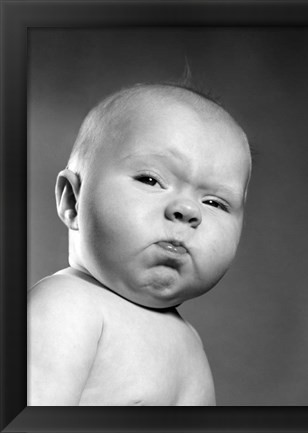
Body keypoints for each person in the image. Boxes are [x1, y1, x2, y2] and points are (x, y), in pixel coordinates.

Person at [27, 83, 252, 406]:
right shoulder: (66, 305)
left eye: (215, 202)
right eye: (150, 180)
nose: (187, 210)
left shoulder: (188, 341)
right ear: (73, 200)